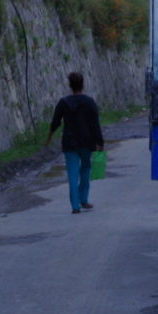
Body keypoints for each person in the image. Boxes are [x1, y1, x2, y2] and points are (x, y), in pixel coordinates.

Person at [45, 71, 104, 214]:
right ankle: (83, 199)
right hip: (86, 142)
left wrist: (49, 137)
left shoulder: (64, 102)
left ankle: (75, 206)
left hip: (69, 142)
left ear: (70, 85)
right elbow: (95, 124)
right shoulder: (89, 102)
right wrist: (100, 142)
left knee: (72, 173)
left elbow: (55, 122)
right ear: (83, 85)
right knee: (86, 169)